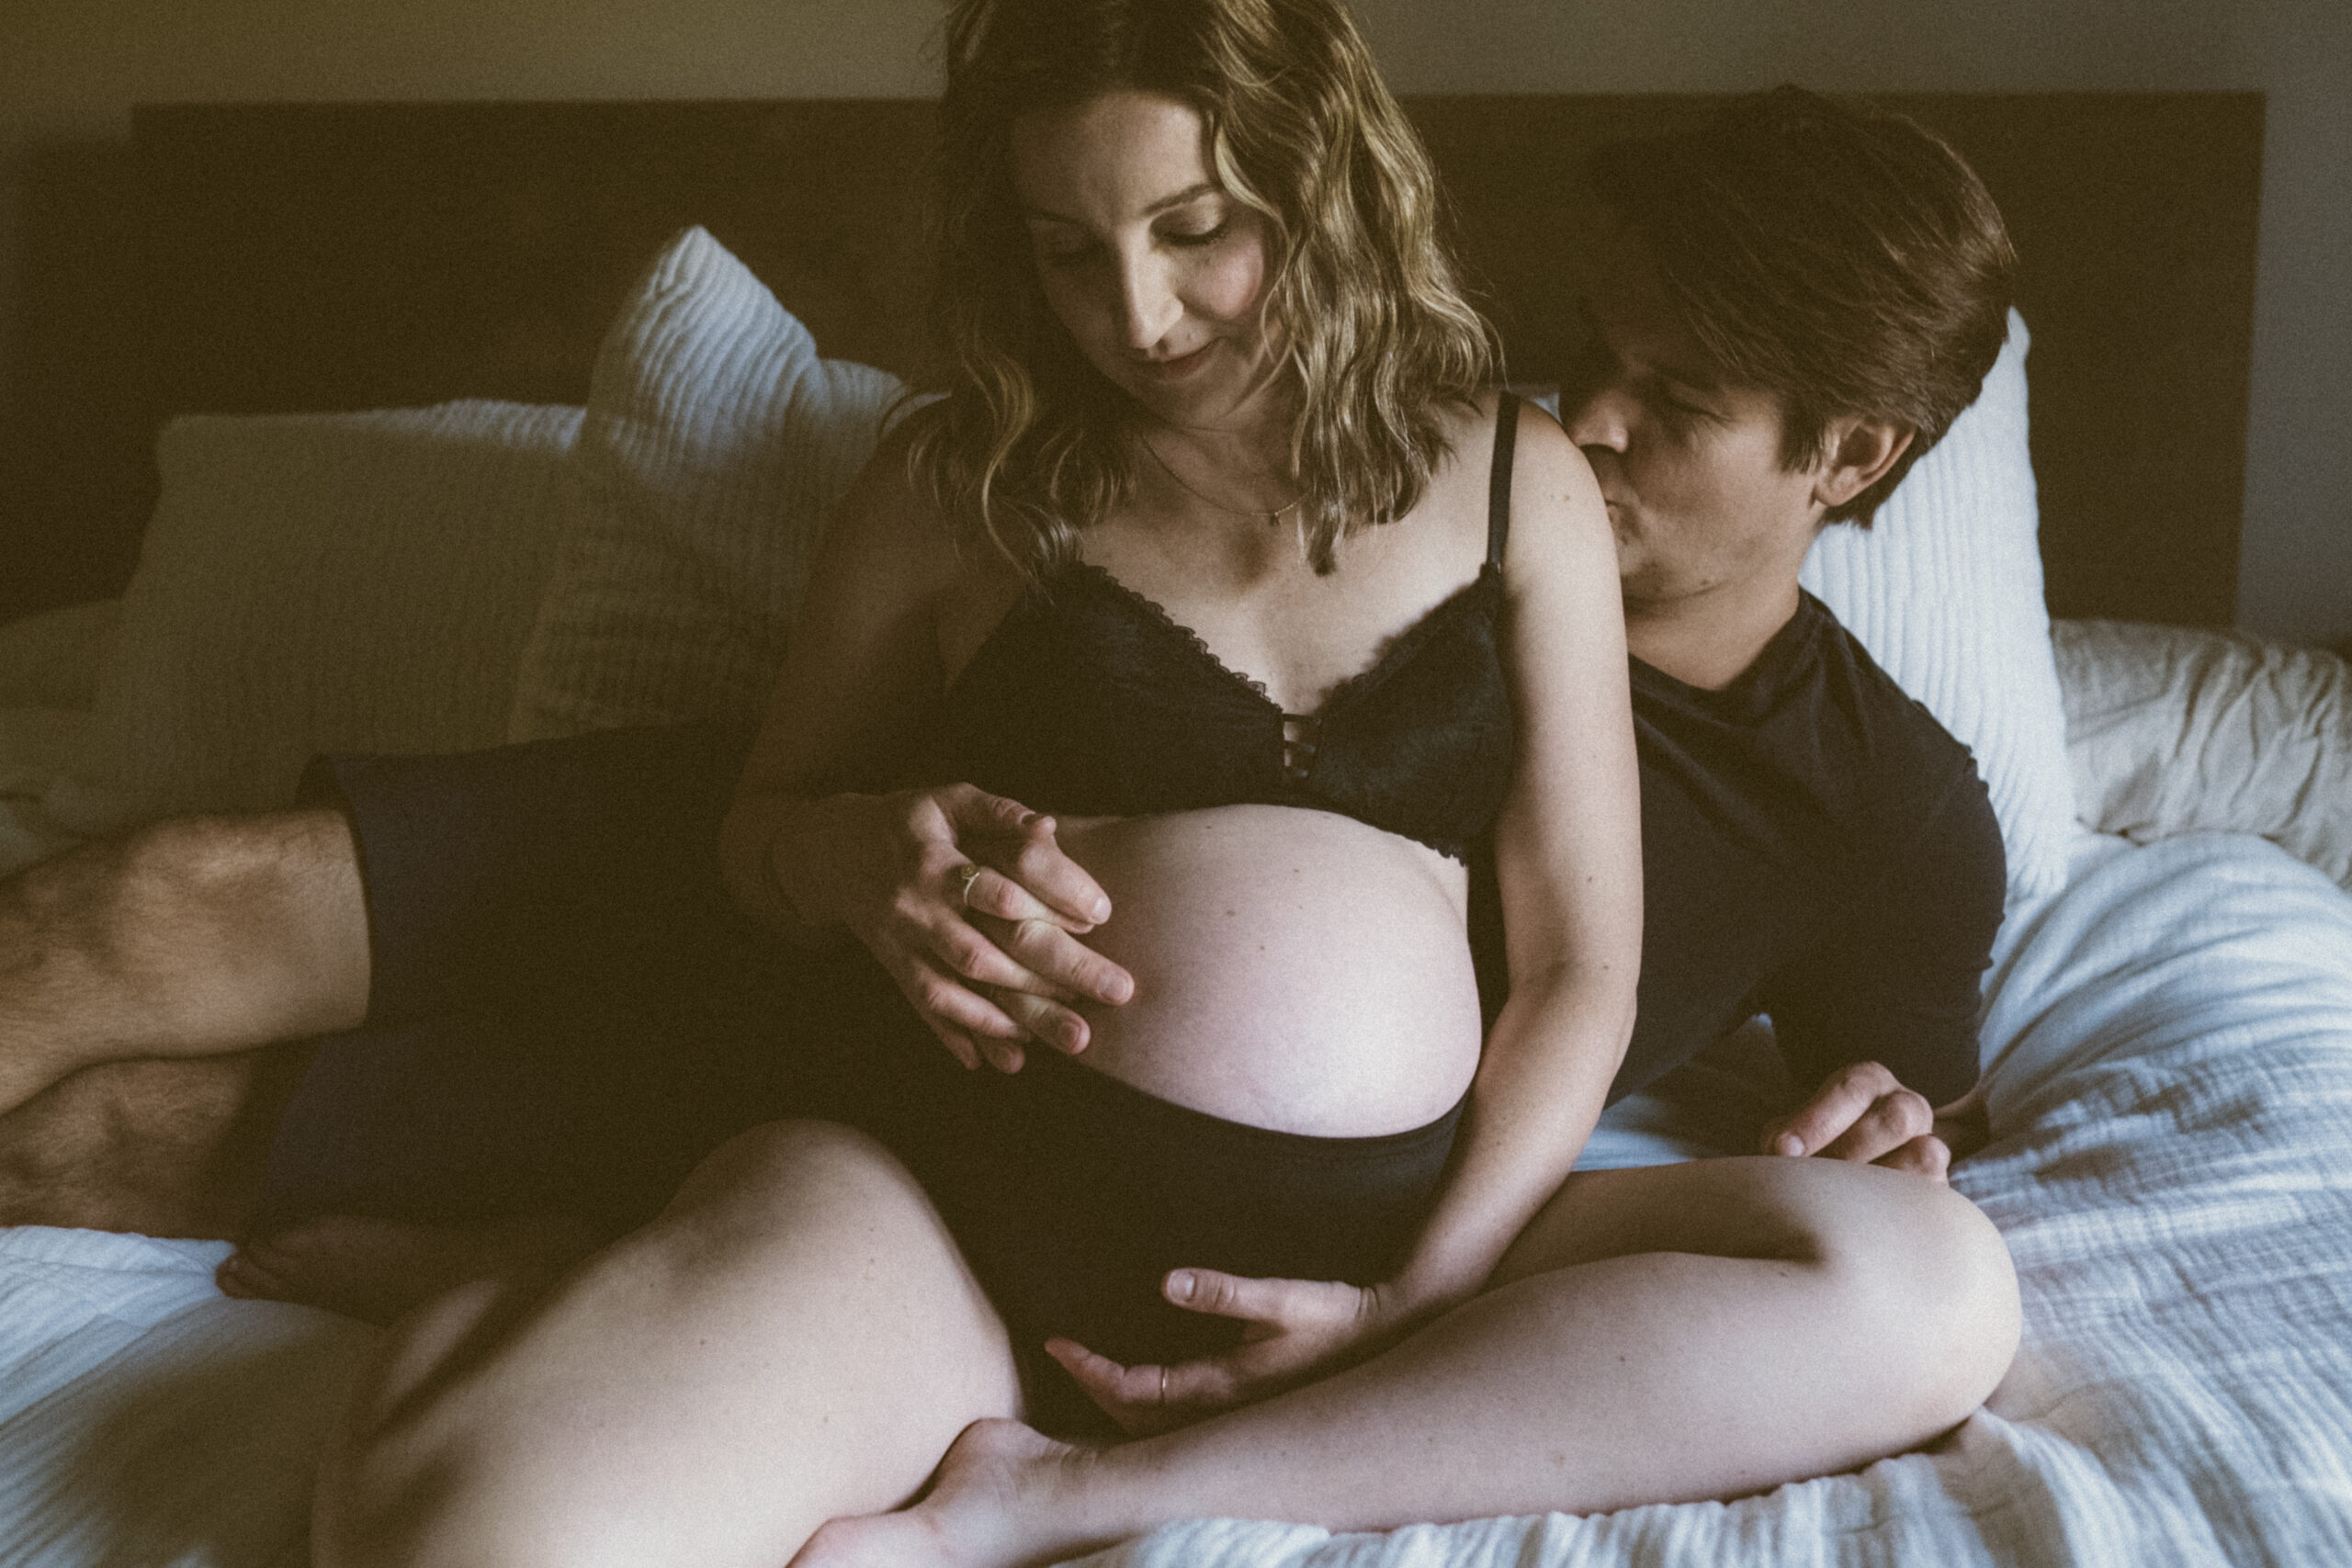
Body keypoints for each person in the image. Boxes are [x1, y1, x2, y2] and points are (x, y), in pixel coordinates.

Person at [0, 22, 2016, 1564]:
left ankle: (1011, 1474)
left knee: (1932, 1289)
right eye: (1068, 250)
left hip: (1383, 1223)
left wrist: (1446, 1273)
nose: (1134, 312)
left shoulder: (1649, 610)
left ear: (1846, 453)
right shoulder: (985, 478)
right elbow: (774, 810)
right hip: (946, 1140)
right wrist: (841, 850)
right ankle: (568, 1280)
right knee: (444, 1446)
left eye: (1673, 399)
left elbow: (1693, 1007)